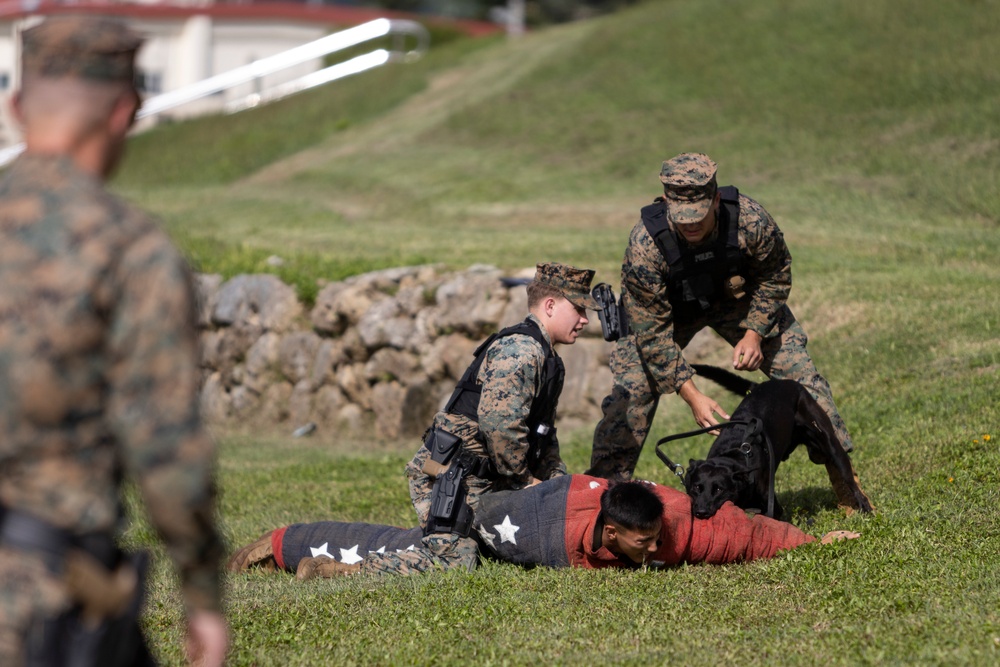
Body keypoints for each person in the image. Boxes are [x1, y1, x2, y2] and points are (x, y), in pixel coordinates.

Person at [0, 15, 228, 666]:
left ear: (15, 108)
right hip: (44, 603)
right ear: (125, 110)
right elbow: (166, 445)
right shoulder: (130, 249)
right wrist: (203, 597)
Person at [230, 262, 598, 578]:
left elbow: (543, 437)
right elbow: (499, 427)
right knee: (455, 561)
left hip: (487, 477)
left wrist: (560, 489)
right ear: (550, 305)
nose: (585, 320)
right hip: (451, 476)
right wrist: (525, 482)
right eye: (578, 310)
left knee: (504, 544)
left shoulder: (551, 361)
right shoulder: (520, 351)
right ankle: (331, 570)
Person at [588, 152, 856, 480]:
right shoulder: (644, 247)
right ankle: (603, 491)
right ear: (666, 203)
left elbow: (776, 274)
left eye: (699, 214)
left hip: (736, 302)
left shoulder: (750, 220)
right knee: (631, 390)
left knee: (801, 371)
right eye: (682, 217)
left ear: (716, 199)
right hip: (669, 316)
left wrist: (755, 332)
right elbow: (652, 334)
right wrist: (693, 396)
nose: (691, 225)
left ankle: (844, 475)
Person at [227, 475, 859, 577]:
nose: (653, 547)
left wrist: (814, 541)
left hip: (536, 498)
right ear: (612, 534)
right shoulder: (540, 535)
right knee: (449, 559)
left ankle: (287, 541)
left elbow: (744, 533)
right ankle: (309, 554)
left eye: (654, 538)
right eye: (641, 542)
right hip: (513, 514)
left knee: (429, 547)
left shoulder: (673, 522)